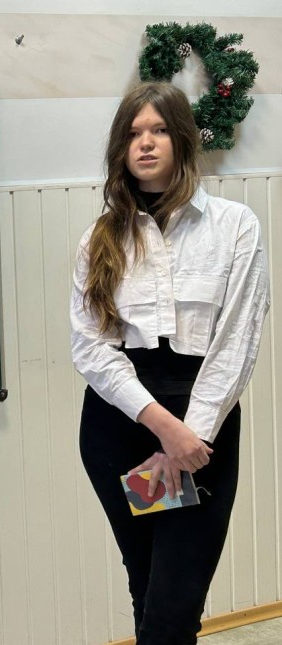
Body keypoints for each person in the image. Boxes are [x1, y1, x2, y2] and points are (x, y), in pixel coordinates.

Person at [70, 82, 269, 644]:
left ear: (182, 139)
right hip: (120, 424)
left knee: (174, 605)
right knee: (147, 587)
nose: (146, 143)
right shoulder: (99, 238)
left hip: (201, 427)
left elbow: (237, 341)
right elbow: (91, 347)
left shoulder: (234, 225)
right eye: (134, 133)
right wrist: (163, 427)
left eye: (158, 130)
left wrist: (188, 436)